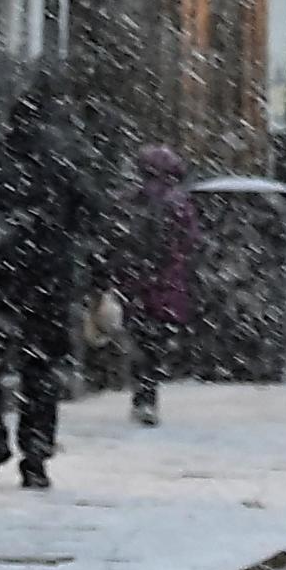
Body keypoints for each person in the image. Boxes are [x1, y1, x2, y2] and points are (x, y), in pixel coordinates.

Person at [0, 87, 88, 489]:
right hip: (45, 285)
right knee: (40, 372)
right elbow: (90, 219)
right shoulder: (63, 170)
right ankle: (35, 454)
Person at [117, 144, 203, 426]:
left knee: (140, 340)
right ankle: (148, 394)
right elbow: (190, 242)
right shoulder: (179, 203)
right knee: (155, 344)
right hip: (166, 285)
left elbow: (116, 237)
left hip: (135, 282)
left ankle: (142, 394)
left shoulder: (131, 199)